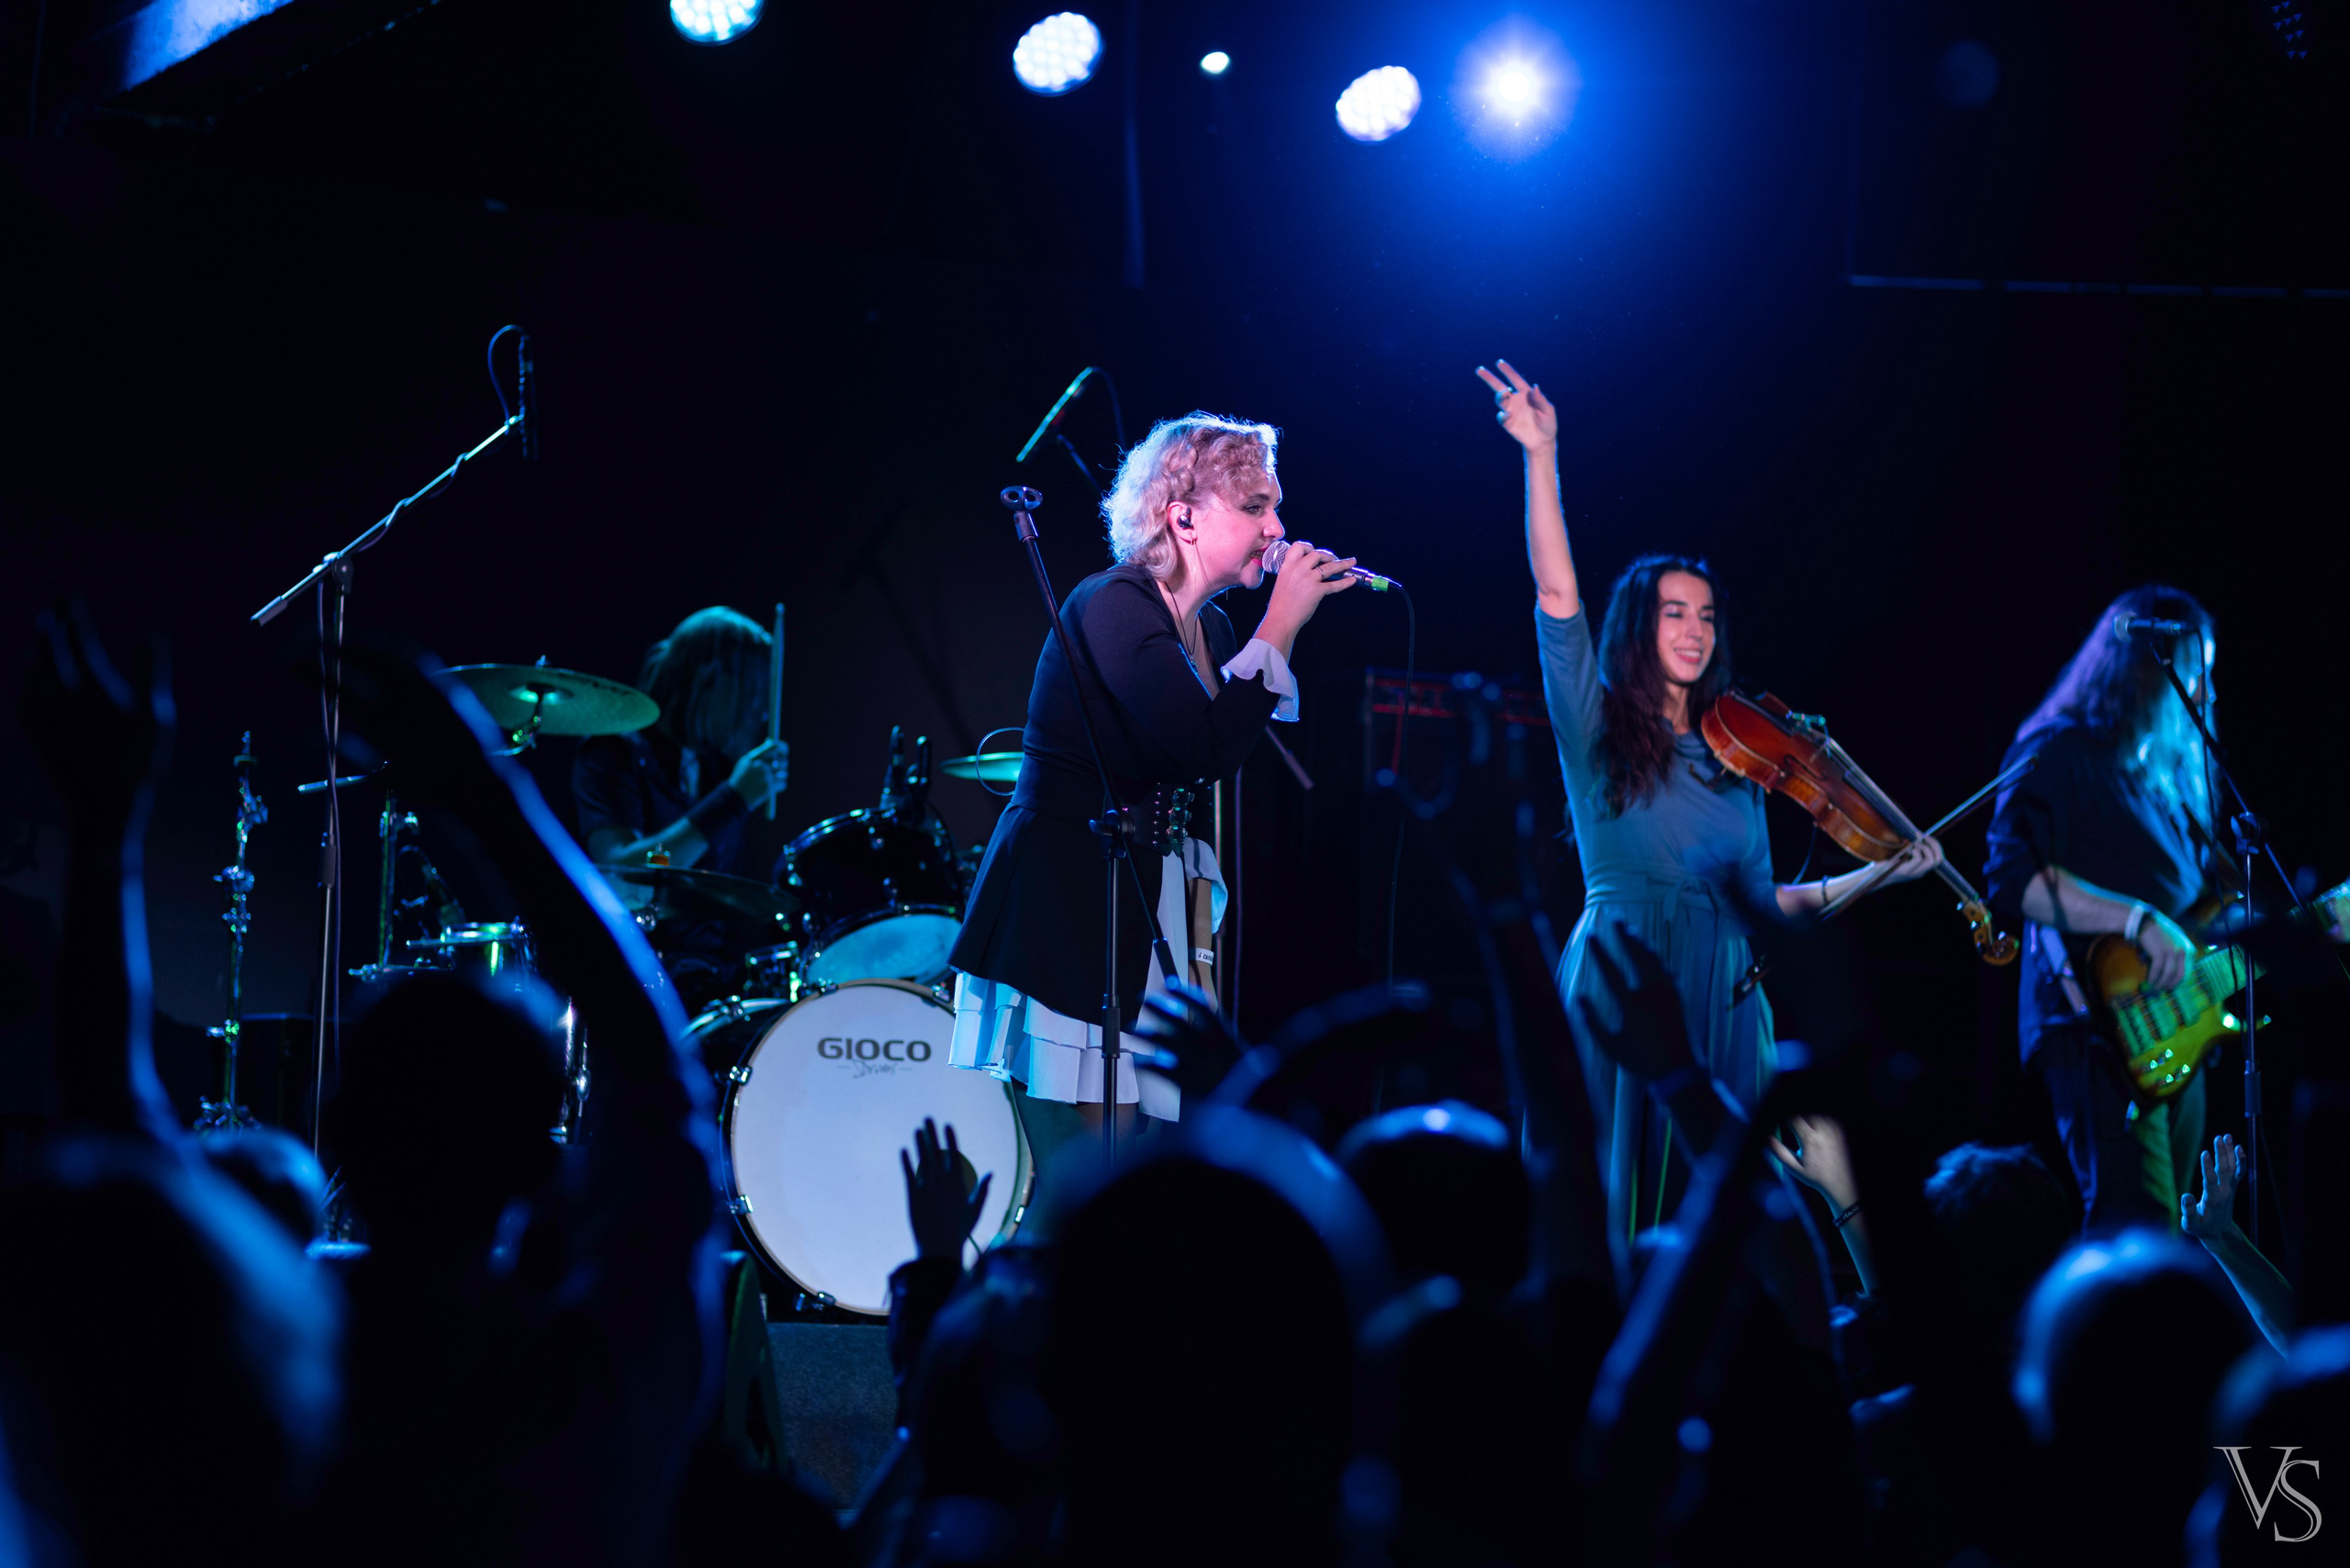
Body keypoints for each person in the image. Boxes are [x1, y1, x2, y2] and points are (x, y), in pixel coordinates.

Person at [1477, 358, 1943, 1246]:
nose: (1695, 630)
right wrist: (1543, 455)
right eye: (1674, 613)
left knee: (1721, 1224)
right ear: (1639, 627)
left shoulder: (1747, 761)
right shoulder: (1596, 726)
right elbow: (1556, 595)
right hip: (1627, 971)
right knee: (1609, 1208)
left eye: (1707, 616)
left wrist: (1883, 872)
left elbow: (1771, 904)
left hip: (1730, 987)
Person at [946, 412, 1357, 1215]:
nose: (1277, 528)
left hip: (1148, 903)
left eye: (1276, 507)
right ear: (1185, 515)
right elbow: (1204, 744)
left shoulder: (1209, 628)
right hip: (1073, 907)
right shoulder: (1114, 603)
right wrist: (1284, 622)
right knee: (1090, 1177)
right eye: (1257, 505)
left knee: (1140, 1164)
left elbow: (1215, 754)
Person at [1983, 585, 2221, 1233]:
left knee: (2167, 1230)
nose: (2205, 693)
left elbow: (2207, 909)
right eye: (2196, 672)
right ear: (2146, 667)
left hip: (2178, 1026)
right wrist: (2138, 920)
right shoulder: (2060, 750)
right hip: (2095, 1025)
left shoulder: (2164, 785)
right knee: (2133, 1219)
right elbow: (2014, 879)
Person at [573, 607, 788, 1013]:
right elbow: (624, 876)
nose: (759, 711)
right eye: (751, 692)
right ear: (710, 678)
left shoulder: (715, 769)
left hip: (707, 974)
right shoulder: (615, 753)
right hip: (632, 980)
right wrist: (732, 801)